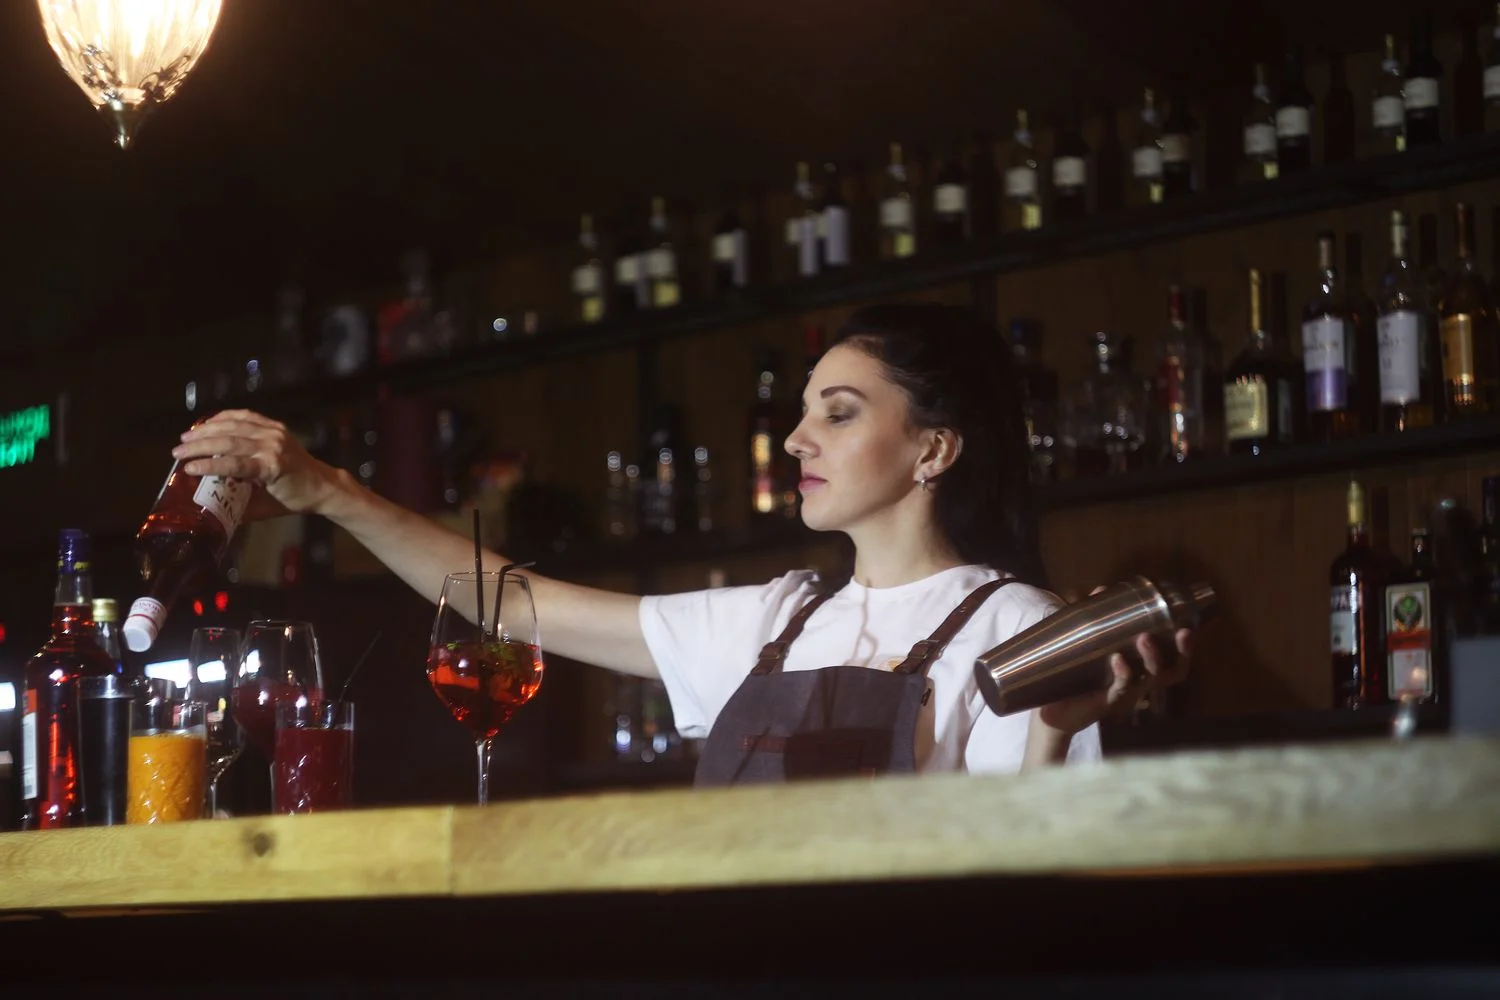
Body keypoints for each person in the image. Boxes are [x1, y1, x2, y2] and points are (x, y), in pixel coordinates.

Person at [172, 302, 1192, 784]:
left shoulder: (1019, 625)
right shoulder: (778, 620)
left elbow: (1035, 879)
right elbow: (512, 604)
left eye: (838, 413)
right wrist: (329, 493)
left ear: (934, 448)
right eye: (804, 410)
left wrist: (1055, 731)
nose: (796, 439)